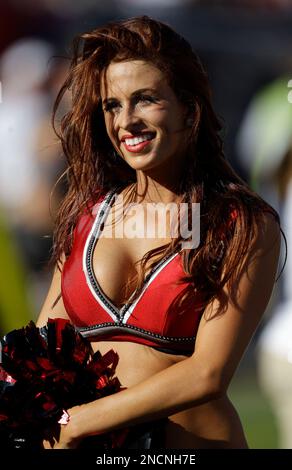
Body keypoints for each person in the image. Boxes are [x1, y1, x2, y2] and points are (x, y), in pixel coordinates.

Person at [35, 15, 284, 449]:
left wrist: (79, 422)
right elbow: (44, 347)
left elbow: (207, 373)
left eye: (145, 99)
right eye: (113, 105)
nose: (125, 121)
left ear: (190, 109)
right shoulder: (87, 217)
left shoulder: (240, 223)